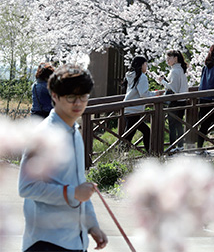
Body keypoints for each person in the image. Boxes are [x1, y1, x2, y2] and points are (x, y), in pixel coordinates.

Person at [18, 64, 108, 252]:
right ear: (54, 96)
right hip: (46, 241)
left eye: (83, 96)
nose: (78, 103)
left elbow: (79, 183)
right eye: (70, 97)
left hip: (74, 239)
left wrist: (92, 225)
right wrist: (72, 193)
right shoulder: (43, 135)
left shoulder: (74, 132)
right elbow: (26, 187)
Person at [122, 56, 161, 152]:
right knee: (138, 133)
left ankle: (121, 153)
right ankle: (148, 152)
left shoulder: (131, 75)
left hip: (128, 107)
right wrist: (156, 94)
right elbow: (144, 94)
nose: (146, 67)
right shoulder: (142, 77)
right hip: (135, 109)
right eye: (146, 64)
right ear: (141, 65)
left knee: (129, 134)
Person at [157, 50, 189, 152]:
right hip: (182, 100)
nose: (167, 61)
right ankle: (180, 145)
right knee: (179, 123)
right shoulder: (181, 69)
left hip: (175, 101)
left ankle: (173, 146)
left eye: (169, 58)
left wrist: (162, 81)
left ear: (176, 58)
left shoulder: (175, 71)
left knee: (172, 125)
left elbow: (173, 89)